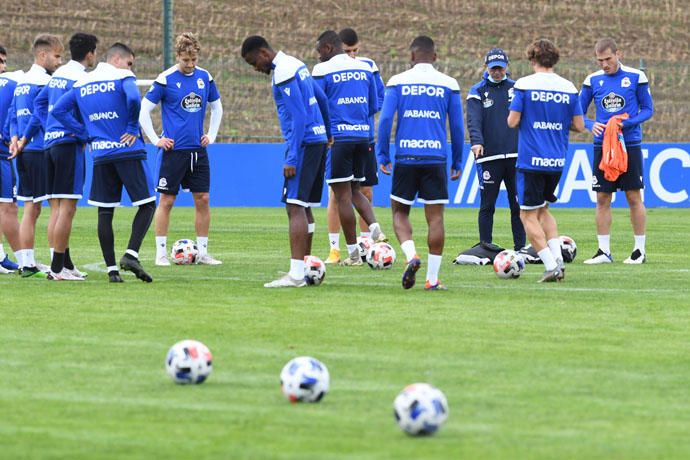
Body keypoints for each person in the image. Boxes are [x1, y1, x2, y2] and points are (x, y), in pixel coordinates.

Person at [52, 43, 156, 283]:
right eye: (130, 62)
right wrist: (131, 127)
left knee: (105, 211)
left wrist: (85, 133)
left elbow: (58, 111)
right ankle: (131, 254)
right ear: (117, 59)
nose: (131, 68)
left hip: (100, 154)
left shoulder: (82, 83)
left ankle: (111, 270)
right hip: (128, 150)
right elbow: (133, 98)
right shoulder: (122, 76)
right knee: (148, 204)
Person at [241, 35, 330, 288]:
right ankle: (304, 266)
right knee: (305, 206)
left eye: (253, 62)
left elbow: (300, 115)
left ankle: (295, 275)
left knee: (294, 207)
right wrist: (329, 133)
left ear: (262, 53)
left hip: (303, 145)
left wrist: (292, 156)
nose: (255, 68)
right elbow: (321, 99)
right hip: (318, 141)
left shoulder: (283, 72)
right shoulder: (296, 63)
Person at [377, 36, 463, 290]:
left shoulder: (398, 81)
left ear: (412, 56)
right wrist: (457, 159)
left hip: (406, 156)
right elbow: (457, 127)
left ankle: (411, 255)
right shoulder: (448, 83)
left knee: (399, 211)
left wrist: (383, 154)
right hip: (436, 157)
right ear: (435, 57)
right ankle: (432, 279)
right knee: (435, 219)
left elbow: (384, 121)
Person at [139, 32, 223, 266]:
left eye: (194, 60)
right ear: (178, 56)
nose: (190, 64)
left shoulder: (205, 78)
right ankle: (161, 254)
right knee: (166, 200)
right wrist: (156, 139)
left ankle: (203, 253)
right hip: (173, 151)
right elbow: (144, 110)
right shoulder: (166, 79)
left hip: (198, 150)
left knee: (203, 198)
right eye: (186, 60)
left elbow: (217, 108)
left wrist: (212, 135)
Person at [20, 33, 98, 281]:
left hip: (49, 146)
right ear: (90, 54)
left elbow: (40, 105)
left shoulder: (58, 76)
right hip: (67, 146)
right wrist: (82, 133)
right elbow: (62, 111)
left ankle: (64, 263)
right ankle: (57, 269)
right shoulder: (80, 79)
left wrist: (49, 126)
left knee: (56, 208)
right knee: (67, 208)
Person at [507, 38, 585, 282]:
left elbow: (512, 121)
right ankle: (559, 259)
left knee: (526, 215)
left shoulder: (524, 85)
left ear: (532, 59)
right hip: (556, 160)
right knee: (543, 210)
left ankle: (551, 265)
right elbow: (580, 126)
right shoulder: (569, 87)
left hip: (531, 160)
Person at [313, 30, 386, 266]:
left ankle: (353, 254)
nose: (317, 56)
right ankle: (374, 228)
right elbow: (375, 103)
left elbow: (315, 105)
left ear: (327, 48)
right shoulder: (365, 67)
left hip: (338, 138)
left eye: (319, 51)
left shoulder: (322, 70)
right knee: (356, 189)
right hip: (363, 137)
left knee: (341, 195)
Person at [579, 38, 654, 265]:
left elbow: (648, 109)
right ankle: (603, 251)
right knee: (602, 197)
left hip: (628, 143)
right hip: (602, 145)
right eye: (600, 60)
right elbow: (578, 114)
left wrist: (626, 123)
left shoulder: (635, 77)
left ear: (618, 54)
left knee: (633, 195)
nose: (604, 64)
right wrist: (592, 125)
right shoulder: (592, 80)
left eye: (608, 59)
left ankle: (639, 251)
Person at [8, 34, 64, 278]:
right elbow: (39, 116)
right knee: (56, 206)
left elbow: (12, 114)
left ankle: (27, 263)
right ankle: (57, 265)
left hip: (23, 152)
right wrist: (26, 138)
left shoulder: (21, 82)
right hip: (40, 149)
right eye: (57, 55)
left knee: (31, 208)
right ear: (42, 55)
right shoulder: (44, 82)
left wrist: (14, 138)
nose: (59, 62)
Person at [466, 48, 525, 251]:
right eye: (493, 69)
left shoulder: (518, 88)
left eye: (500, 68)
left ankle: (520, 247)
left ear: (507, 67)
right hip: (489, 156)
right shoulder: (478, 91)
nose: (497, 72)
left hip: (516, 156)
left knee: (517, 205)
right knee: (487, 204)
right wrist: (476, 141)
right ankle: (485, 246)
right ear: (487, 68)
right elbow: (474, 119)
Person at [0, 45, 21, 273]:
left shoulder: (7, 85)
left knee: (7, 206)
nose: (3, 67)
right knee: (7, 206)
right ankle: (25, 259)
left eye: (4, 61)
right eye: (0, 61)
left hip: (5, 153)